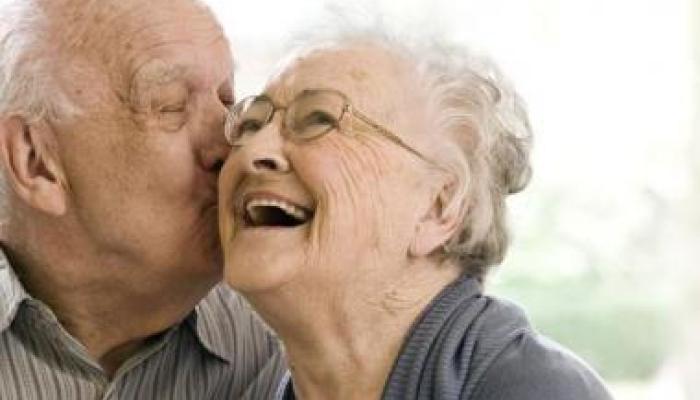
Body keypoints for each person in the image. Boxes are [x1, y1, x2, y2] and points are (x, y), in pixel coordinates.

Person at [218, 25, 614, 400]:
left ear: (438, 208)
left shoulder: (534, 389)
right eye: (250, 124)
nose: (253, 150)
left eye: (318, 119)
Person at [0, 0, 286, 398]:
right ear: (36, 161)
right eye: (171, 106)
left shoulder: (283, 344)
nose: (231, 147)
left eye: (228, 101)